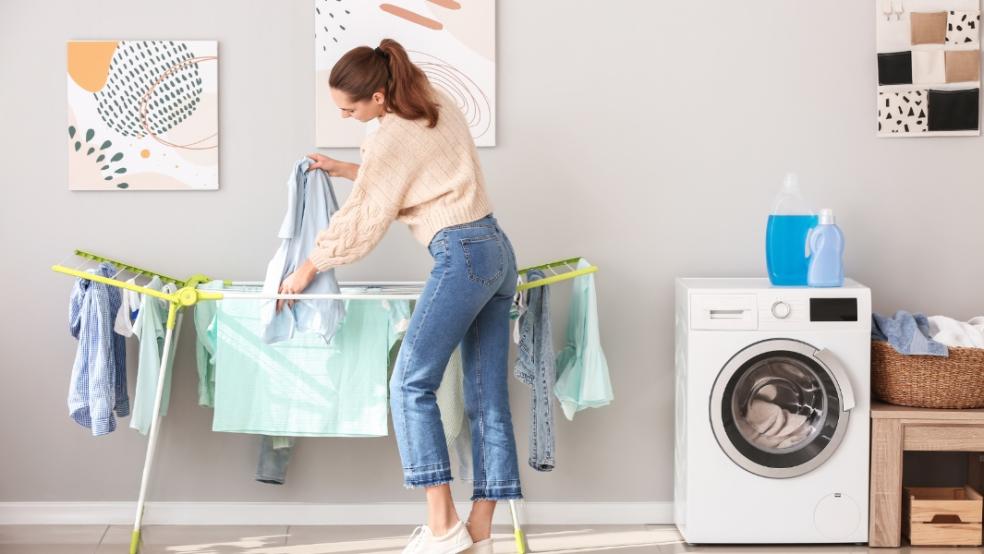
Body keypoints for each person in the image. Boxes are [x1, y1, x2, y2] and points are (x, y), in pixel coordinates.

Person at [277, 38, 522, 554]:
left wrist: (307, 269)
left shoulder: (386, 138)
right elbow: (414, 173)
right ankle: (479, 533)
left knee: (410, 383)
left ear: (380, 98)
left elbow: (367, 217)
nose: (346, 117)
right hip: (497, 251)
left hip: (462, 254)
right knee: (487, 402)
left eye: (350, 108)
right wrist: (345, 170)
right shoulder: (435, 101)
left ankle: (441, 525)